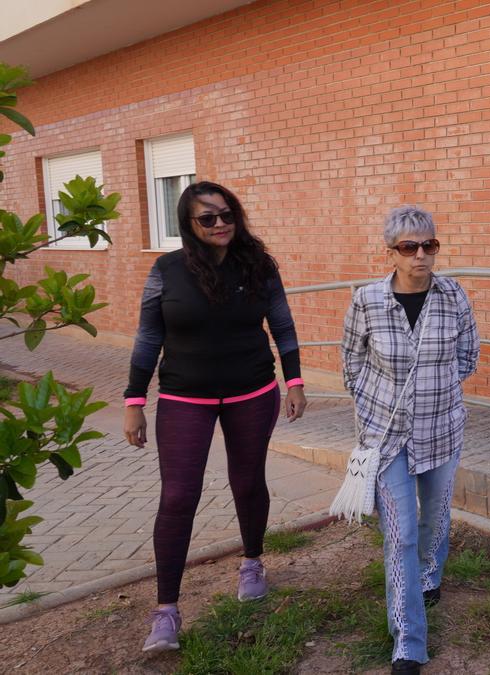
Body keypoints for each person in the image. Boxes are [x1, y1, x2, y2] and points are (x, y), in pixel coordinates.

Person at [123, 181, 308, 651]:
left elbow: (282, 325)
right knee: (179, 497)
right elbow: (148, 338)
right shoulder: (166, 270)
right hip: (186, 397)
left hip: (253, 389)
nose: (221, 224)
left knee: (247, 482)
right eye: (208, 218)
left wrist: (296, 382)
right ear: (188, 225)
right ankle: (166, 610)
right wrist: (134, 401)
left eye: (227, 214)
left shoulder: (259, 266)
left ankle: (252, 562)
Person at [341, 206, 479, 675]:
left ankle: (430, 574)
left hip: (442, 427)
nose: (421, 255)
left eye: (429, 245)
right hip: (385, 436)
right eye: (409, 247)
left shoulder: (453, 295)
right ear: (391, 252)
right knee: (399, 532)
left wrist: (435, 394)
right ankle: (409, 642)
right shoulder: (367, 301)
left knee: (436, 514)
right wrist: (371, 410)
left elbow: (468, 354)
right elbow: (351, 362)